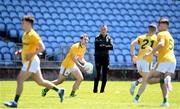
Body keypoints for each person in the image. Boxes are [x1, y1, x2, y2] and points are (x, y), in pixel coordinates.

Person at [4, 15, 64, 108]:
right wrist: (20, 52)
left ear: (28, 24)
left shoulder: (33, 35)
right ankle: (59, 90)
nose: (22, 25)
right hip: (31, 61)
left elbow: (42, 48)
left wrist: (30, 55)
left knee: (20, 79)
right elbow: (27, 47)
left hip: (31, 61)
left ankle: (15, 102)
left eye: (23, 23)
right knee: (40, 81)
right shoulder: (25, 34)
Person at [144, 17, 176, 107]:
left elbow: (161, 44)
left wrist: (151, 52)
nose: (158, 25)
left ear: (166, 25)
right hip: (172, 61)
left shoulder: (161, 34)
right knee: (167, 78)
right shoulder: (170, 36)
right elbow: (164, 51)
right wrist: (154, 53)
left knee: (148, 79)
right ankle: (165, 101)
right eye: (159, 23)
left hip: (164, 61)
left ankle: (164, 80)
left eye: (160, 23)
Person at [130, 23, 157, 103]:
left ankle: (136, 83)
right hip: (147, 60)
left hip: (139, 60)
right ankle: (136, 98)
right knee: (147, 80)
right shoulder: (156, 39)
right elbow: (156, 52)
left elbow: (132, 44)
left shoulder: (141, 37)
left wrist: (133, 55)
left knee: (146, 77)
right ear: (155, 30)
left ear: (148, 29)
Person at [93, 25, 113, 93]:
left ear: (107, 30)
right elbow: (97, 47)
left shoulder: (109, 38)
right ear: (100, 30)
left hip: (106, 58)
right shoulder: (97, 37)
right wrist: (106, 45)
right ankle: (95, 90)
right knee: (97, 74)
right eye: (102, 29)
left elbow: (111, 47)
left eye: (104, 29)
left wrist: (103, 45)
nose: (103, 30)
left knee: (105, 74)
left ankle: (102, 90)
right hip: (98, 58)